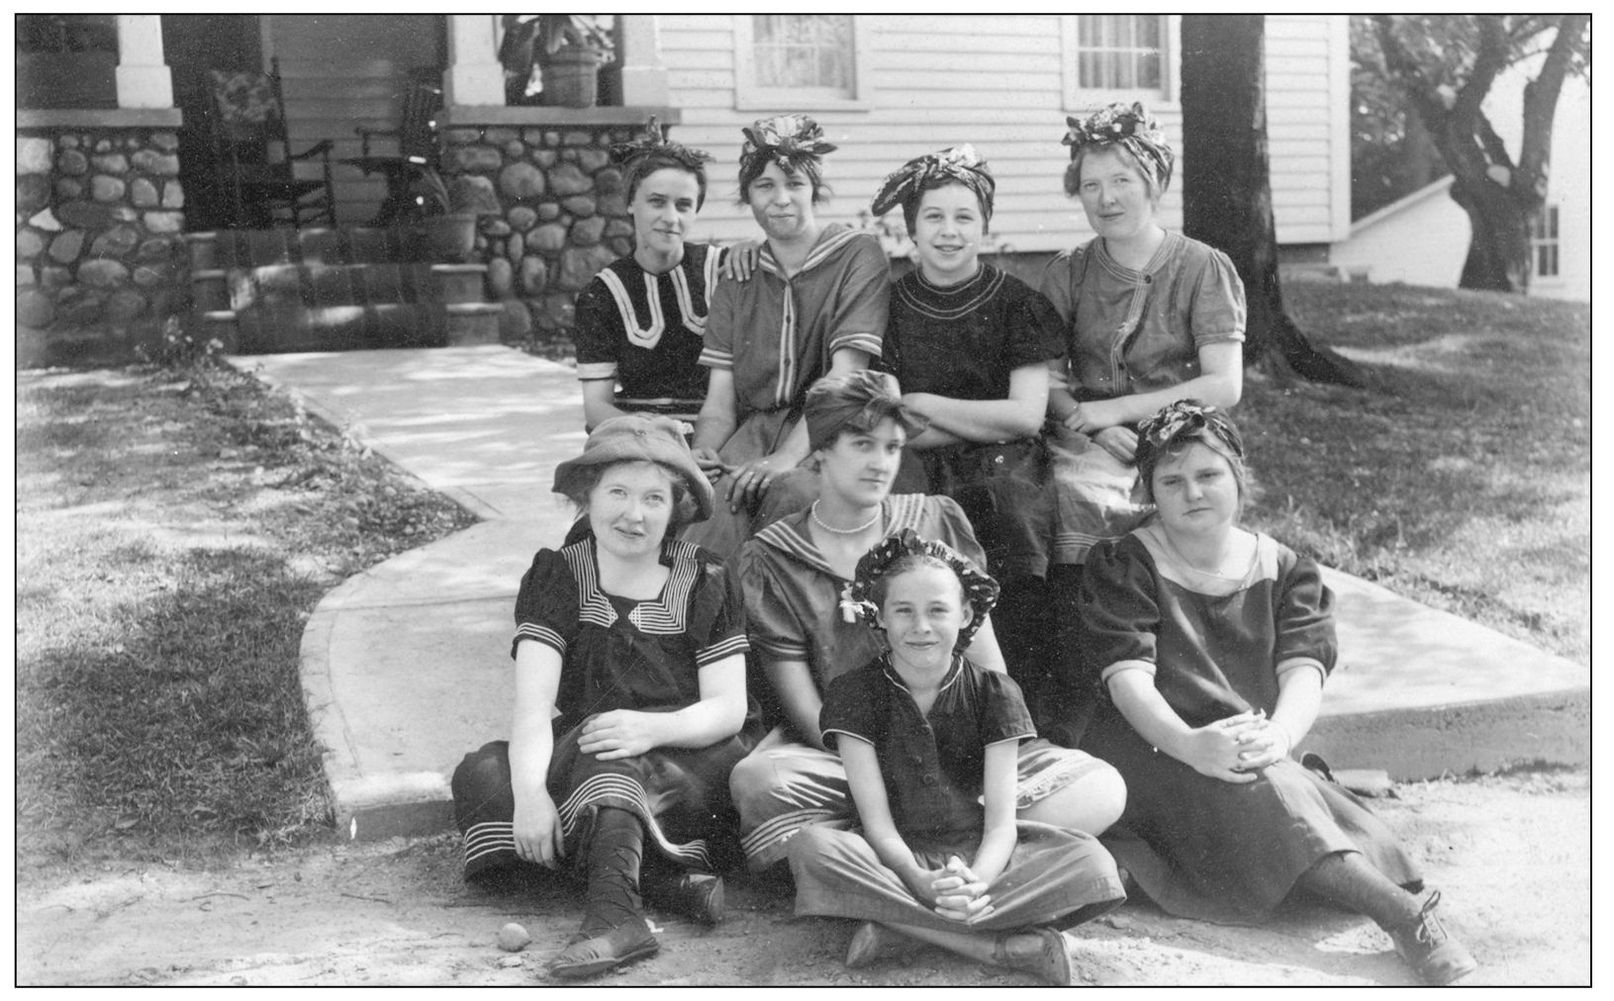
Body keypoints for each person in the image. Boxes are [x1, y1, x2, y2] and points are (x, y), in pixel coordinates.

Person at [1067, 400, 1477, 986]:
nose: (1193, 493)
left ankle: (1348, 878)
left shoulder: (1285, 567)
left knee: (1273, 784)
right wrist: (1188, 744)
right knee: (1268, 797)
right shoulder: (1126, 562)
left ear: (1238, 476)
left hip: (1250, 739)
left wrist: (1281, 733)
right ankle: (1403, 915)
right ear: (1150, 490)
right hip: (1154, 747)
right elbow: (1128, 679)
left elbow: (1304, 669)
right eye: (1171, 481)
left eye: (1209, 475)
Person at [729, 370, 1126, 878]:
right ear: (820, 451)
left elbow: (988, 671)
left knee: (1100, 787)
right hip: (846, 753)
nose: (880, 463)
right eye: (862, 444)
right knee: (759, 781)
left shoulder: (935, 521)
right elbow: (805, 707)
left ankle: (894, 881)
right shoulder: (775, 555)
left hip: (959, 753)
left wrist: (948, 767)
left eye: (893, 448)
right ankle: (976, 874)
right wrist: (891, 769)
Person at [450, 415, 761, 980]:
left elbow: (728, 710)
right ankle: (661, 880)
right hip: (598, 744)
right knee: (485, 776)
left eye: (653, 498)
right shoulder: (558, 577)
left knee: (608, 758)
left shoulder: (706, 577)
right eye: (617, 492)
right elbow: (532, 709)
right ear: (587, 496)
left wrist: (651, 729)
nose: (633, 514)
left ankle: (615, 918)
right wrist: (530, 797)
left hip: (691, 753)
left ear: (677, 509)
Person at [787, 530, 1125, 985]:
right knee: (814, 849)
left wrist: (978, 880)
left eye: (938, 610)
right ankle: (993, 946)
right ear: (879, 617)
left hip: (977, 854)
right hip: (891, 856)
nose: (921, 627)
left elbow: (1002, 823)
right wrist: (915, 878)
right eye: (903, 611)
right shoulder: (854, 693)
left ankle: (900, 929)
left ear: (966, 614)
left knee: (1090, 861)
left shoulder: (996, 693)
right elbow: (878, 824)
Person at [869, 144, 1066, 704]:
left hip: (1007, 460)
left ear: (984, 226)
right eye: (933, 217)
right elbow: (893, 424)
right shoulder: (889, 307)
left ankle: (1021, 696)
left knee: (1010, 512)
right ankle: (930, 696)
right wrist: (970, 420)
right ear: (911, 227)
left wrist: (925, 401)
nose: (948, 231)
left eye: (964, 217)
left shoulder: (1015, 303)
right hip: (917, 457)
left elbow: (1026, 415)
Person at [1039, 102, 1246, 589]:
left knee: (1186, 499)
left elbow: (1224, 384)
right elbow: (1044, 381)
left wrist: (1120, 411)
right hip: (1083, 432)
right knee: (1067, 494)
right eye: (1091, 185)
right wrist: (1091, 424)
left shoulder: (1202, 268)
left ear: (1153, 183)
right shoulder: (1067, 271)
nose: (1105, 198)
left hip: (1183, 430)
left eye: (1121, 181)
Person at [682, 114, 889, 560]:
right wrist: (702, 452)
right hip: (754, 431)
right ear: (747, 196)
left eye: (794, 183)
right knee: (704, 508)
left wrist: (784, 458)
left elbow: (846, 376)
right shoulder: (738, 273)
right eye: (763, 186)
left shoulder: (858, 255)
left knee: (793, 496)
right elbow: (720, 400)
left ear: (814, 188)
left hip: (831, 428)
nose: (780, 199)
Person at [572, 117, 728, 432]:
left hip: (718, 434)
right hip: (636, 434)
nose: (670, 218)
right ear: (630, 203)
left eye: (684, 205)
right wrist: (656, 434)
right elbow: (596, 407)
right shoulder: (602, 294)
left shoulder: (723, 270)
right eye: (657, 202)